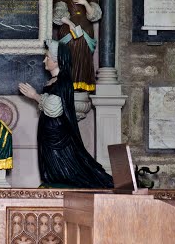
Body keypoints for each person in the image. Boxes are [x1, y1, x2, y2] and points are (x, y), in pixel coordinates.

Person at [19, 40, 113, 189]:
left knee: (63, 164)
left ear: (57, 61)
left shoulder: (63, 81)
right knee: (50, 163)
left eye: (47, 57)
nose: (45, 60)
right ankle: (53, 179)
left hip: (57, 133)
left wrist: (35, 96)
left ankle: (63, 180)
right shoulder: (53, 81)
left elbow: (54, 108)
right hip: (50, 131)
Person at [53, 0, 101, 92]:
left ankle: (83, 85)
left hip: (85, 32)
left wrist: (85, 3)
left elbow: (95, 15)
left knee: (83, 59)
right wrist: (70, 23)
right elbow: (58, 13)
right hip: (68, 31)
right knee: (69, 58)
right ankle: (67, 85)